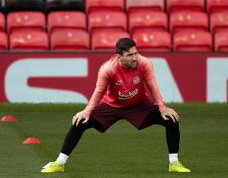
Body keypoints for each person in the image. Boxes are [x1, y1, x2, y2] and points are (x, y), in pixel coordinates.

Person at [41, 38, 190, 173]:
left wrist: (163, 108)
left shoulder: (144, 63)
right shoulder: (108, 68)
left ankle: (174, 163)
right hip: (111, 105)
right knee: (79, 122)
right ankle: (59, 163)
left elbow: (152, 85)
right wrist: (86, 111)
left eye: (135, 53)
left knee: (171, 119)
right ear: (120, 57)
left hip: (139, 104)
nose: (134, 58)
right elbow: (99, 91)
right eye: (130, 55)